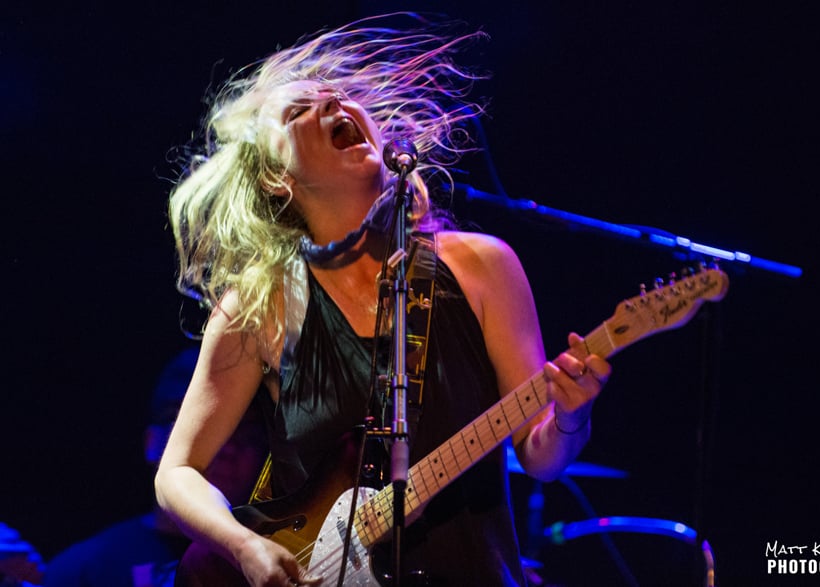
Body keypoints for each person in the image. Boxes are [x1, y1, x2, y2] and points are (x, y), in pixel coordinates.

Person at [154, 13, 611, 587]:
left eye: (340, 98)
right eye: (299, 111)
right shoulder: (260, 308)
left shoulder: (482, 266)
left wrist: (571, 416)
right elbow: (176, 473)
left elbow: (542, 459)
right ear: (277, 179)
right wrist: (246, 547)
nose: (334, 107)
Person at [43, 347, 268, 587]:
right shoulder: (81, 571)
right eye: (203, 427)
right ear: (152, 443)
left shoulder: (287, 553)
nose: (228, 447)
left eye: (245, 429)